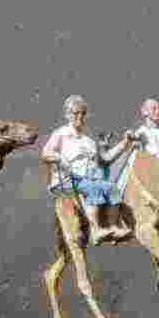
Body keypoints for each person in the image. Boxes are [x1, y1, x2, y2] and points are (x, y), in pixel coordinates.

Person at [39, 96, 123, 235]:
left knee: (112, 189)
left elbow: (105, 159)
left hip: (89, 178)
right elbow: (45, 153)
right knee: (93, 188)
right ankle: (96, 230)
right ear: (67, 115)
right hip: (68, 179)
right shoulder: (61, 134)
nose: (80, 116)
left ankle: (113, 227)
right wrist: (59, 158)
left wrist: (125, 143)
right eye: (75, 113)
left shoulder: (88, 139)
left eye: (83, 113)